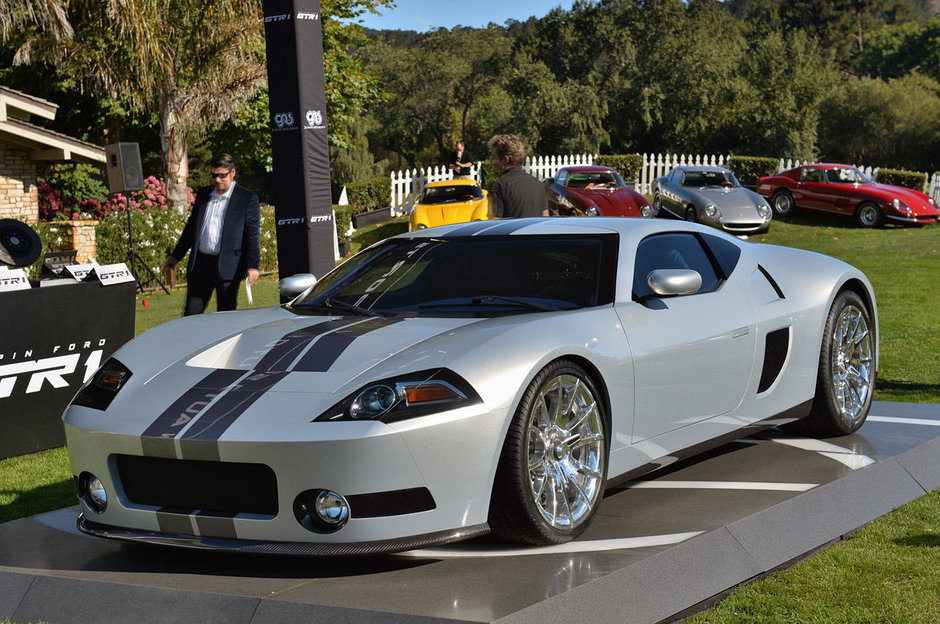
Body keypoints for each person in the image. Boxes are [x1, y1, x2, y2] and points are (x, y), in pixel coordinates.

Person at [165, 153, 260, 316]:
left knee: (225, 316)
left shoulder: (247, 198)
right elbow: (191, 229)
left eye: (222, 175)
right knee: (190, 315)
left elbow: (252, 234)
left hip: (228, 265)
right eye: (214, 175)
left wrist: (253, 266)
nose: (217, 180)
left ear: (232, 172)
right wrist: (176, 256)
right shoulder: (203, 194)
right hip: (201, 265)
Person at [486, 134, 549, 218]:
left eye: (494, 157)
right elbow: (545, 219)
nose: (491, 161)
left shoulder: (499, 185)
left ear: (505, 159)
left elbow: (495, 224)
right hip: (536, 231)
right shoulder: (539, 184)